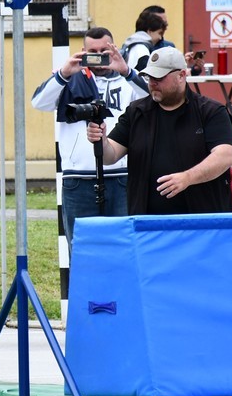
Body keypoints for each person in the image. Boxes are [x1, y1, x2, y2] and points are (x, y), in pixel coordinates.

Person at [31, 27, 149, 243]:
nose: (99, 56)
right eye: (93, 51)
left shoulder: (126, 80)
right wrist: (64, 74)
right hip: (78, 177)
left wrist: (126, 71)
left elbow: (153, 99)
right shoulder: (68, 79)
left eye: (105, 50)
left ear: (115, 49)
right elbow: (39, 103)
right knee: (82, 248)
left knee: (124, 245)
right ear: (83, 51)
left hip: (121, 175)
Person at [86, 47, 232, 215]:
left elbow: (225, 156)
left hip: (201, 220)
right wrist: (101, 140)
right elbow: (110, 156)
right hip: (147, 222)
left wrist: (187, 178)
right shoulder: (137, 112)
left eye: (159, 77)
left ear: (181, 76)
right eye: (149, 77)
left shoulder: (211, 111)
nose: (152, 83)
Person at [120, 5, 168, 71]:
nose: (160, 37)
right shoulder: (142, 50)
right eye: (159, 33)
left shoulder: (131, 44)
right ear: (150, 31)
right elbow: (144, 77)